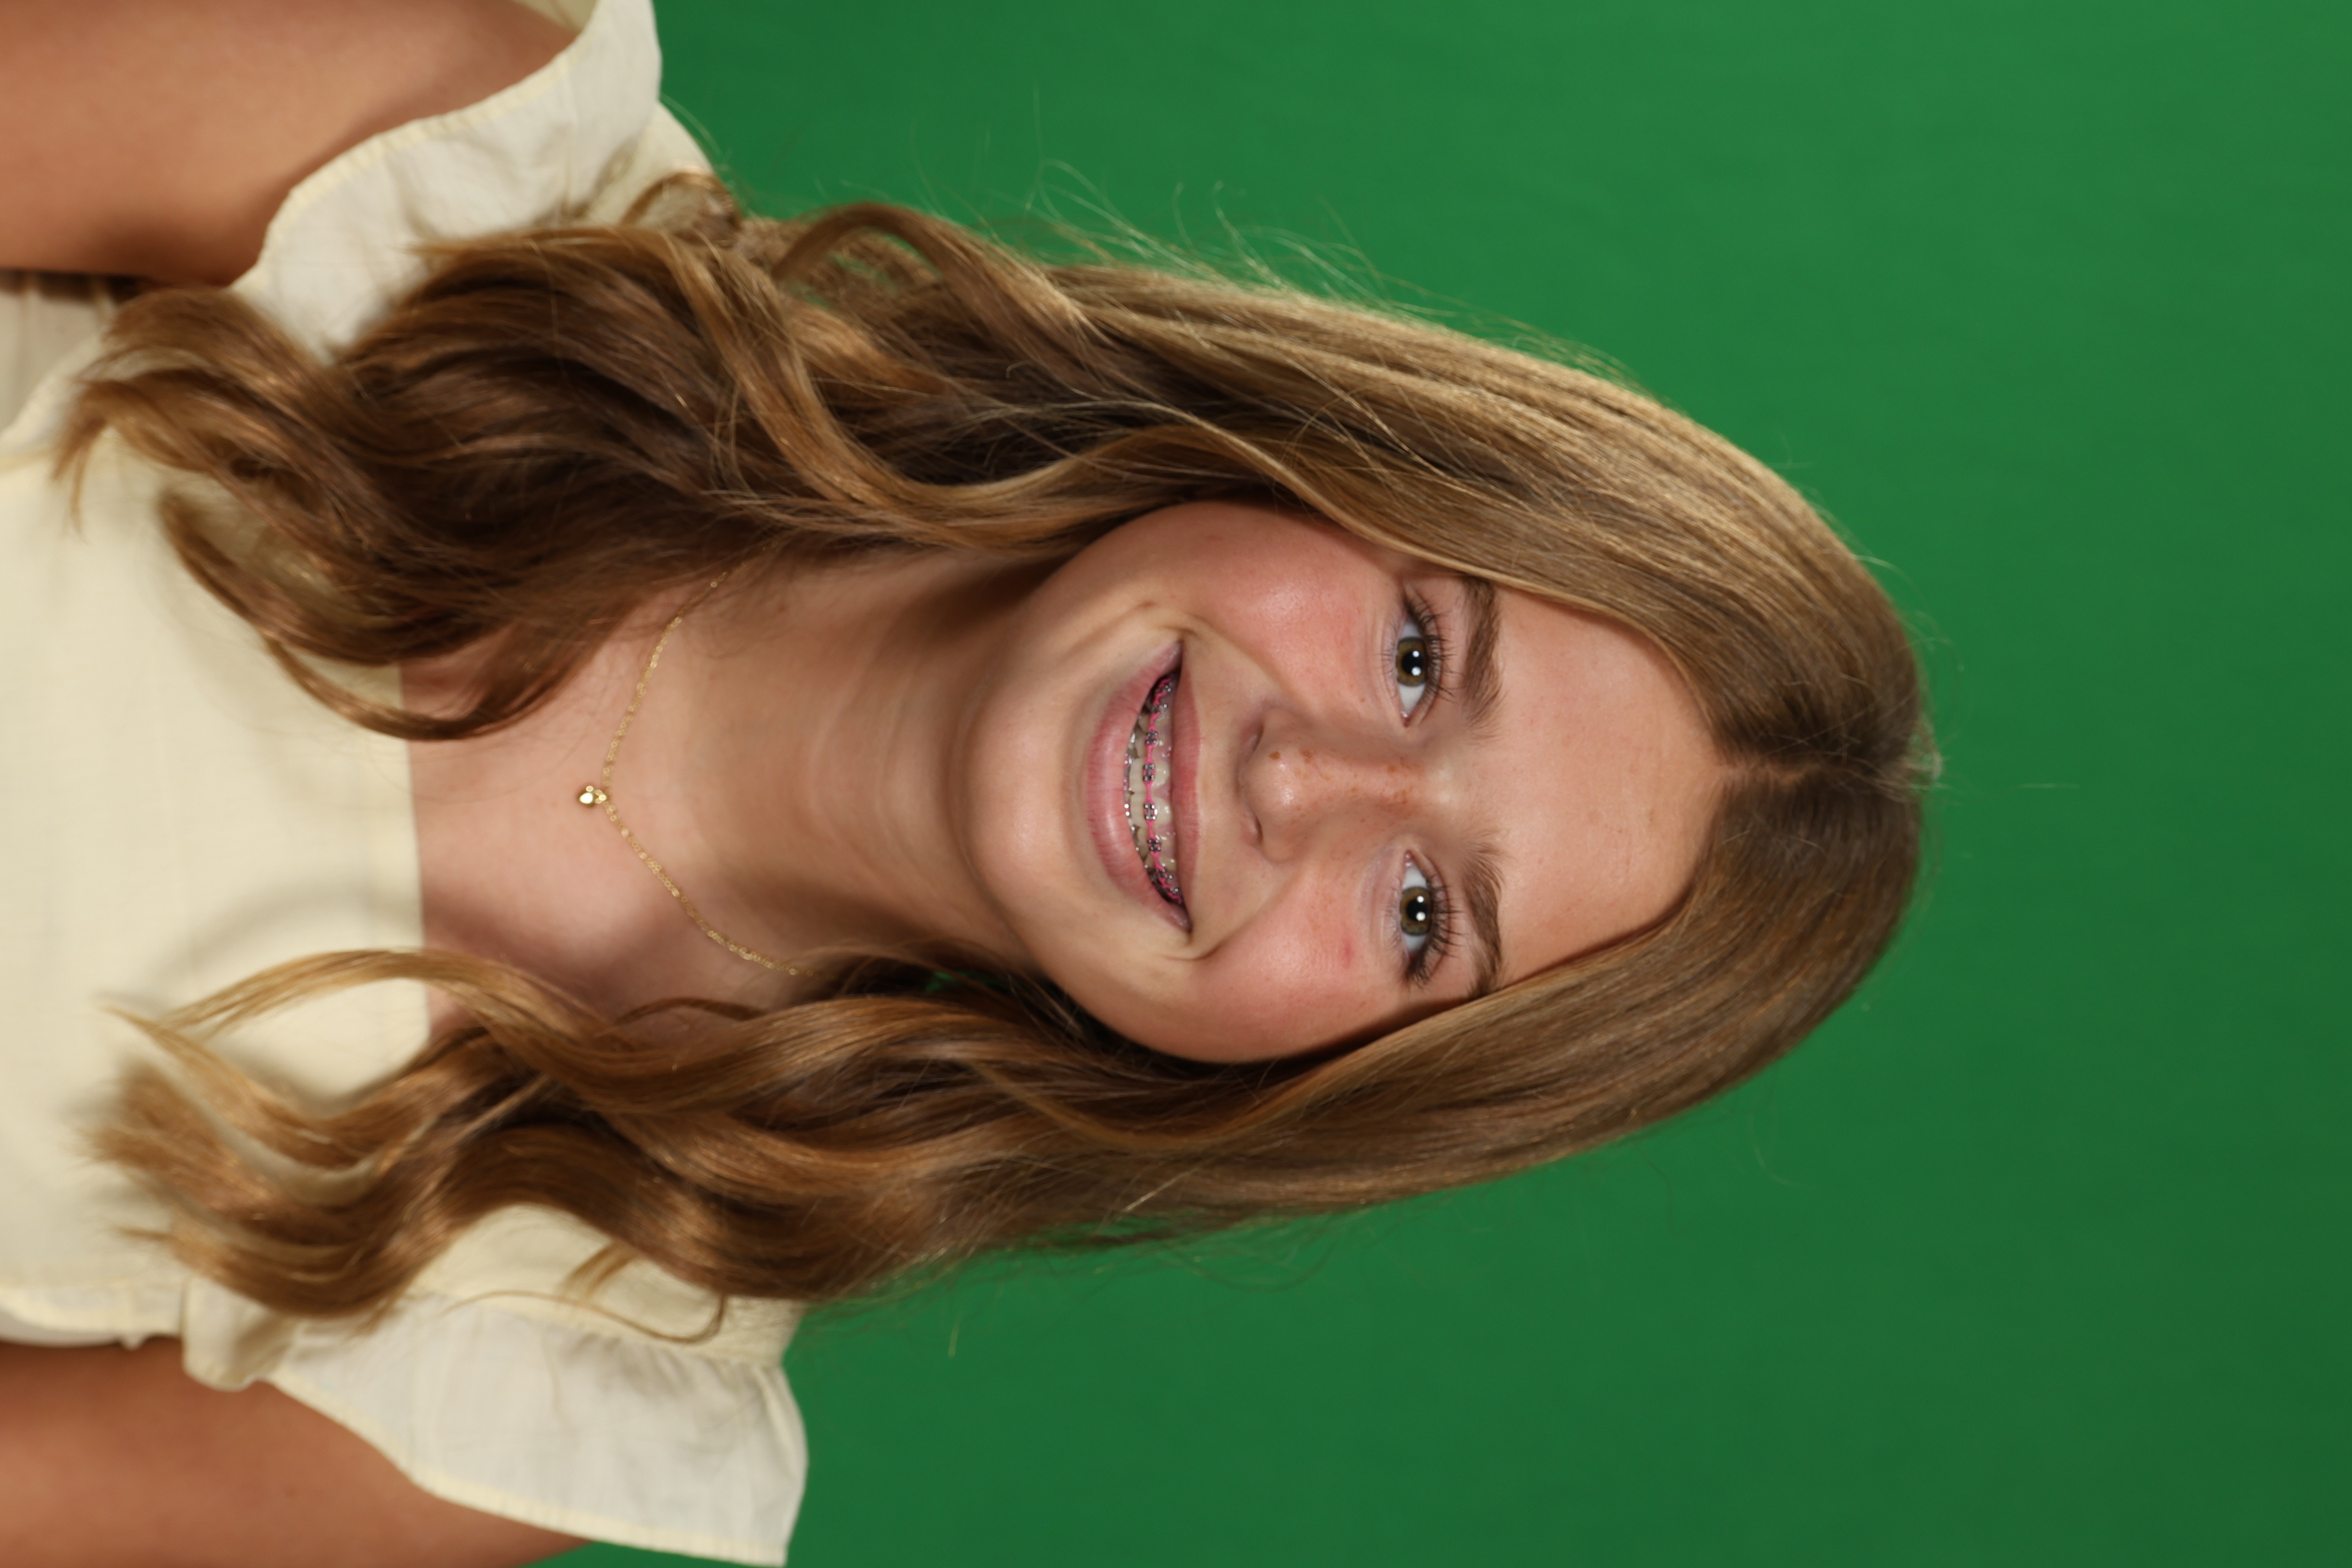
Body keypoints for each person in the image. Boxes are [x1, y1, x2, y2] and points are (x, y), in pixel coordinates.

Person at [0, 1, 1928, 1564]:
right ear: (1317, 461)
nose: (1307, 783)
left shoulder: (544, 1377)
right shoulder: (453, 160)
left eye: (1424, 914)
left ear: (1329, 1080)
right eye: (1419, 658)